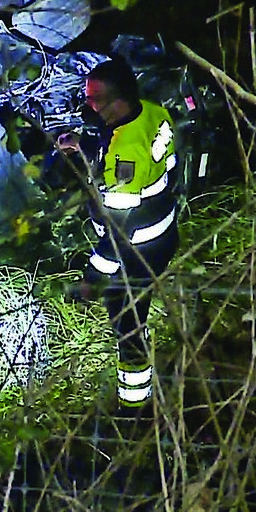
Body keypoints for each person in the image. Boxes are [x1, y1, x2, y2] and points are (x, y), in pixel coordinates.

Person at [56, 59, 179, 415]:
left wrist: (92, 280)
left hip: (138, 250)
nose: (88, 105)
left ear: (118, 100)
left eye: (95, 100)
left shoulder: (129, 156)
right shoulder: (152, 112)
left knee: (127, 323)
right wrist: (85, 146)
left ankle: (134, 409)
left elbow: (118, 232)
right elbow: (120, 141)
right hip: (163, 227)